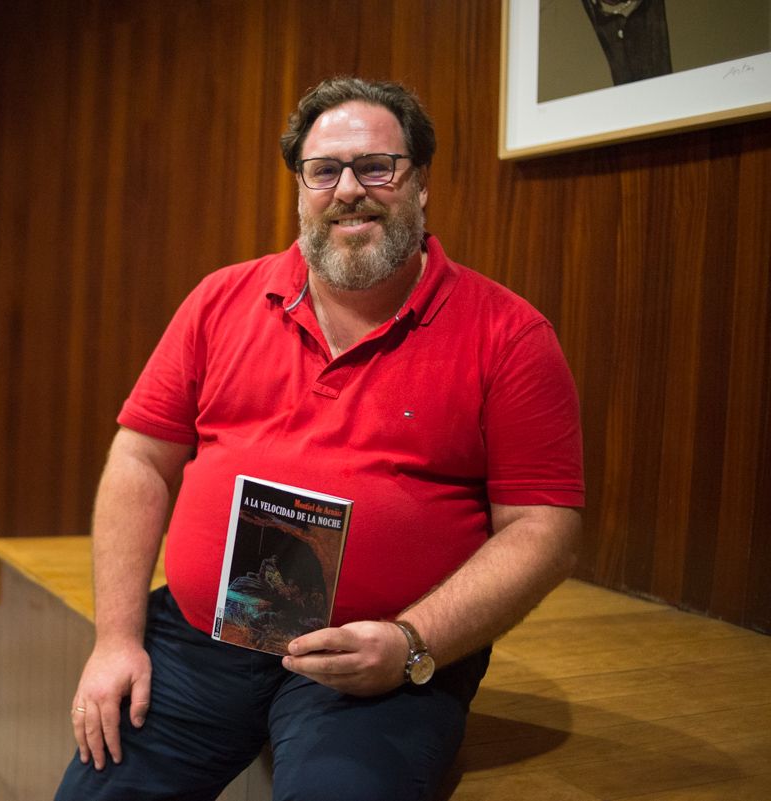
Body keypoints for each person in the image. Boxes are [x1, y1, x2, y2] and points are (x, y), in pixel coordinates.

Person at [55, 76, 583, 801]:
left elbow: (543, 527)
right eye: (324, 170)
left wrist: (411, 644)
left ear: (420, 182)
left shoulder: (510, 336)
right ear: (301, 188)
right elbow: (140, 460)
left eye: (376, 166)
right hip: (200, 635)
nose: (348, 189)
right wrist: (115, 639)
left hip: (379, 664)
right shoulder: (219, 300)